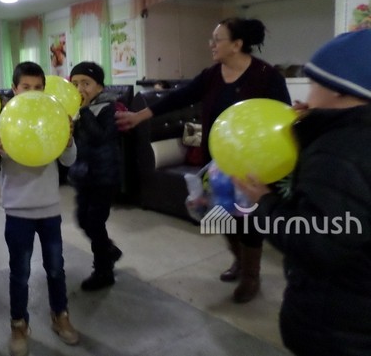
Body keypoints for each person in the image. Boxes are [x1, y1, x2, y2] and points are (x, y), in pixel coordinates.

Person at [116, 17, 291, 303]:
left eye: (217, 39)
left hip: (252, 163)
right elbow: (178, 98)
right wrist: (139, 116)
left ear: (237, 44)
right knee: (222, 215)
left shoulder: (266, 75)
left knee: (248, 221)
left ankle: (251, 276)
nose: (211, 44)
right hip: (216, 160)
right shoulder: (211, 75)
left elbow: (282, 116)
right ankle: (239, 260)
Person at [235, 29, 371, 356]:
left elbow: (317, 241)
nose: (307, 95)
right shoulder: (352, 138)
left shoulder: (339, 152)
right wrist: (313, 127)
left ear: (338, 90)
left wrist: (264, 201)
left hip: (339, 324)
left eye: (313, 84)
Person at [0, 62, 79, 356]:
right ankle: (19, 324)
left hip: (50, 210)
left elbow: (70, 161)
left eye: (38, 88)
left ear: (44, 89)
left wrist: (68, 140)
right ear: (14, 88)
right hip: (17, 211)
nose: (32, 92)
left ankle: (60, 315)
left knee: (55, 268)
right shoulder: (4, 120)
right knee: (19, 272)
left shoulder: (53, 117)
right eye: (26, 87)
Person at [68, 62, 123, 291]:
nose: (80, 89)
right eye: (75, 84)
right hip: (84, 175)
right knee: (82, 219)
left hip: (104, 176)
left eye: (86, 83)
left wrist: (84, 111)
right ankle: (109, 249)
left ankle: (103, 271)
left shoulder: (109, 108)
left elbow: (100, 137)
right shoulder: (73, 109)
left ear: (99, 87)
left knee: (94, 221)